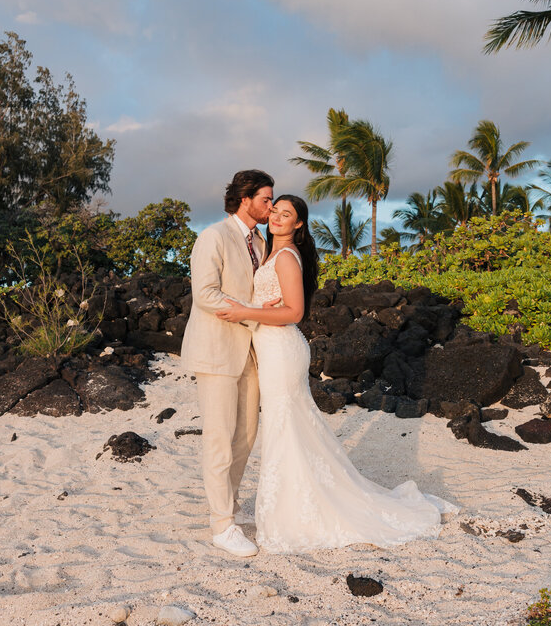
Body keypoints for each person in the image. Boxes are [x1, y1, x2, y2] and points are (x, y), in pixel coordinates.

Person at [216, 194, 457, 553]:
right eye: (275, 211)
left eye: (287, 214)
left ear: (299, 224)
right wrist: (255, 307)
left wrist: (242, 312)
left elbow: (295, 312)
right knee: (290, 427)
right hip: (272, 348)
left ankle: (294, 512)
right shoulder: (268, 252)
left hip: (282, 349)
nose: (278, 218)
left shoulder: (284, 257)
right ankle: (293, 504)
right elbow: (277, 303)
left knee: (285, 427)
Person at [181, 169, 275, 558]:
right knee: (220, 438)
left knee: (247, 435)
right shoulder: (213, 237)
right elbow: (205, 294)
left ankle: (230, 506)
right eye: (266, 199)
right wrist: (252, 312)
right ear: (245, 199)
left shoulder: (260, 241)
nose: (271, 205)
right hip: (218, 350)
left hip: (251, 350)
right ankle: (221, 525)